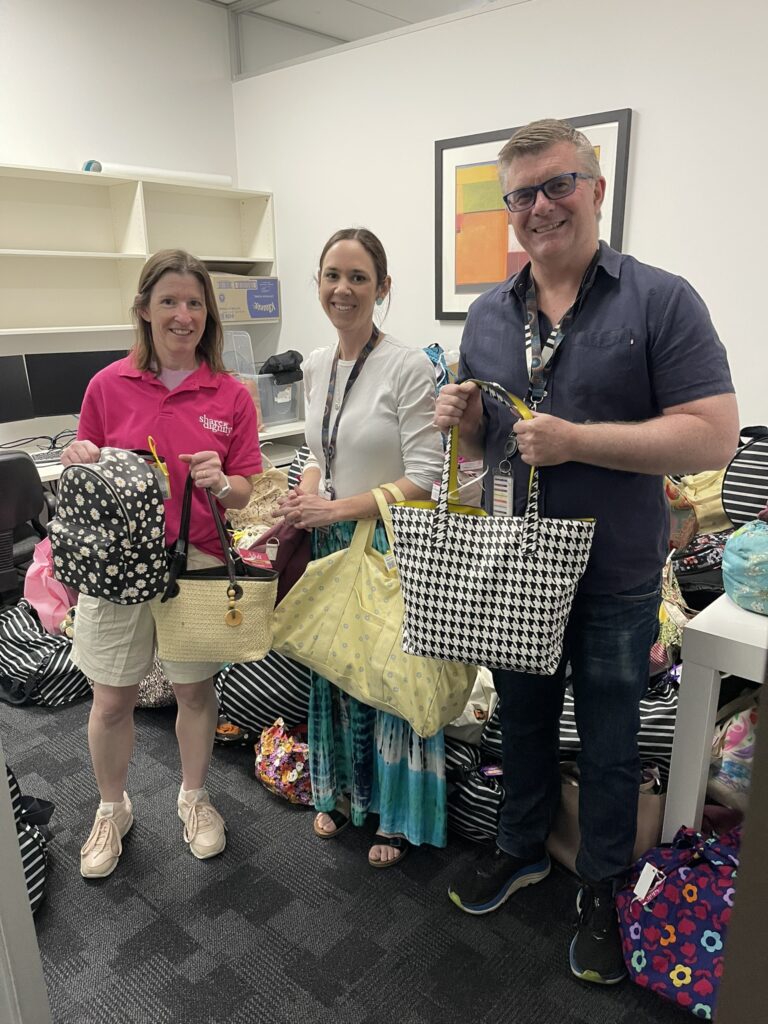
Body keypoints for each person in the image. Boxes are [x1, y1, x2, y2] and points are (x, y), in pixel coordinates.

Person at [435, 119, 738, 983]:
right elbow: (488, 449)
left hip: (613, 572)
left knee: (608, 740)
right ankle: (521, 846)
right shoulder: (489, 314)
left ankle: (604, 885)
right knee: (522, 719)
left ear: (597, 189)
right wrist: (465, 427)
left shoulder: (660, 300)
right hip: (519, 563)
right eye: (521, 195)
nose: (540, 207)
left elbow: (713, 435)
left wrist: (580, 441)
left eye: (557, 185)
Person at [64, 249, 263, 879]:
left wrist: (222, 482)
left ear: (209, 314)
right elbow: (87, 457)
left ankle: (193, 797)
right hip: (117, 562)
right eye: (170, 301)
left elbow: (245, 490)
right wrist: (80, 455)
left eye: (195, 303)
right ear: (145, 309)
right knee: (111, 700)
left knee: (193, 692)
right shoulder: (107, 385)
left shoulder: (231, 395)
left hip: (195, 560)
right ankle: (112, 808)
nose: (183, 315)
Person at [277, 227, 446, 866]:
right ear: (318, 283)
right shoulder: (317, 364)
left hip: (390, 546)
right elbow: (319, 454)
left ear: (382, 288)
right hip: (331, 541)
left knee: (388, 680)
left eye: (358, 278)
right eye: (332, 276)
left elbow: (424, 476)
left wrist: (336, 508)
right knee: (336, 668)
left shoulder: (408, 366)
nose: (342, 289)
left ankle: (395, 818)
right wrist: (305, 497)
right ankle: (343, 794)